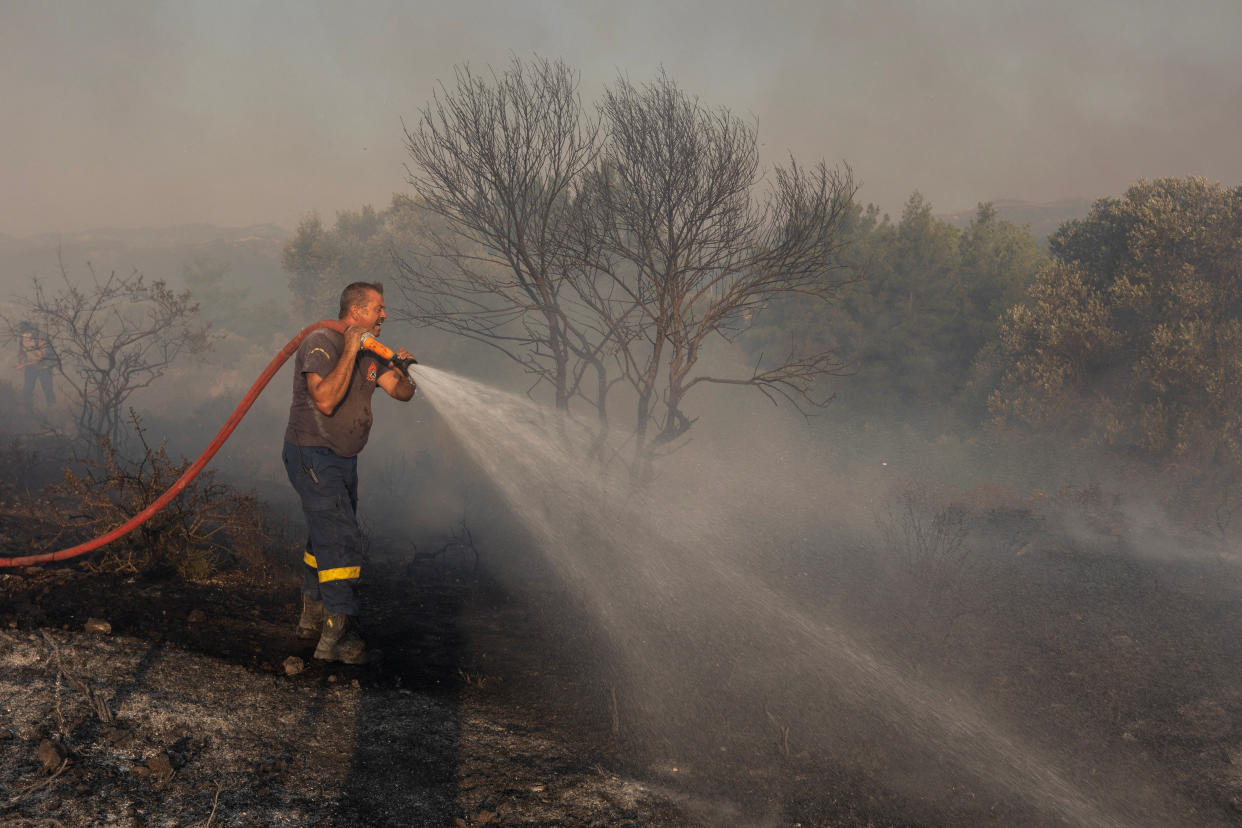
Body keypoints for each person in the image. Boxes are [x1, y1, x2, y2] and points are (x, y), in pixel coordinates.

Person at [282, 282, 415, 664]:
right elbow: (324, 400)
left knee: (326, 533)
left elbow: (400, 392)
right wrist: (352, 348)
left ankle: (311, 615)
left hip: (343, 458)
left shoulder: (372, 354)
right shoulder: (322, 342)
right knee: (340, 538)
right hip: (312, 455)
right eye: (379, 309)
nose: (384, 316)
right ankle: (337, 634)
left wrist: (404, 371)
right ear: (356, 312)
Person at [17, 322, 56, 413]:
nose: (25, 335)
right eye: (23, 333)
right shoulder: (22, 339)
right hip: (31, 367)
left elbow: (40, 357)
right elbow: (21, 352)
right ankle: (27, 410)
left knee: (48, 389)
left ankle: (53, 410)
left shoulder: (40, 339)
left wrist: (23, 364)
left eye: (27, 333)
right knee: (27, 389)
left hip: (44, 367)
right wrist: (19, 362)